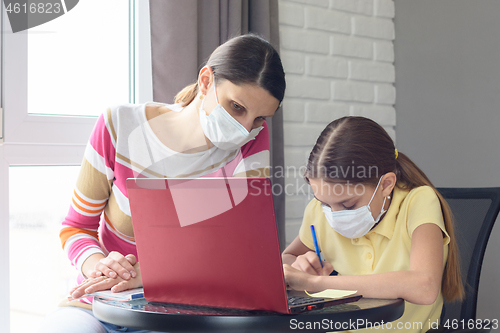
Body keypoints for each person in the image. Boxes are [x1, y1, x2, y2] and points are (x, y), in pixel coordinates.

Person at [38, 34, 285, 333]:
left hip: (184, 314)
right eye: (236, 107)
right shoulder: (119, 125)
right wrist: (99, 266)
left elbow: (243, 252)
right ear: (206, 81)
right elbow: (76, 227)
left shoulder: (253, 142)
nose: (245, 128)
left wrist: (147, 275)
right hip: (98, 304)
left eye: (260, 118)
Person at [282, 116, 464, 333]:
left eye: (348, 204)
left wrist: (316, 284)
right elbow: (287, 258)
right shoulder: (318, 212)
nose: (334, 216)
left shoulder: (418, 201)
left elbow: (424, 286)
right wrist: (300, 266)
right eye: (325, 203)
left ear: (386, 184)